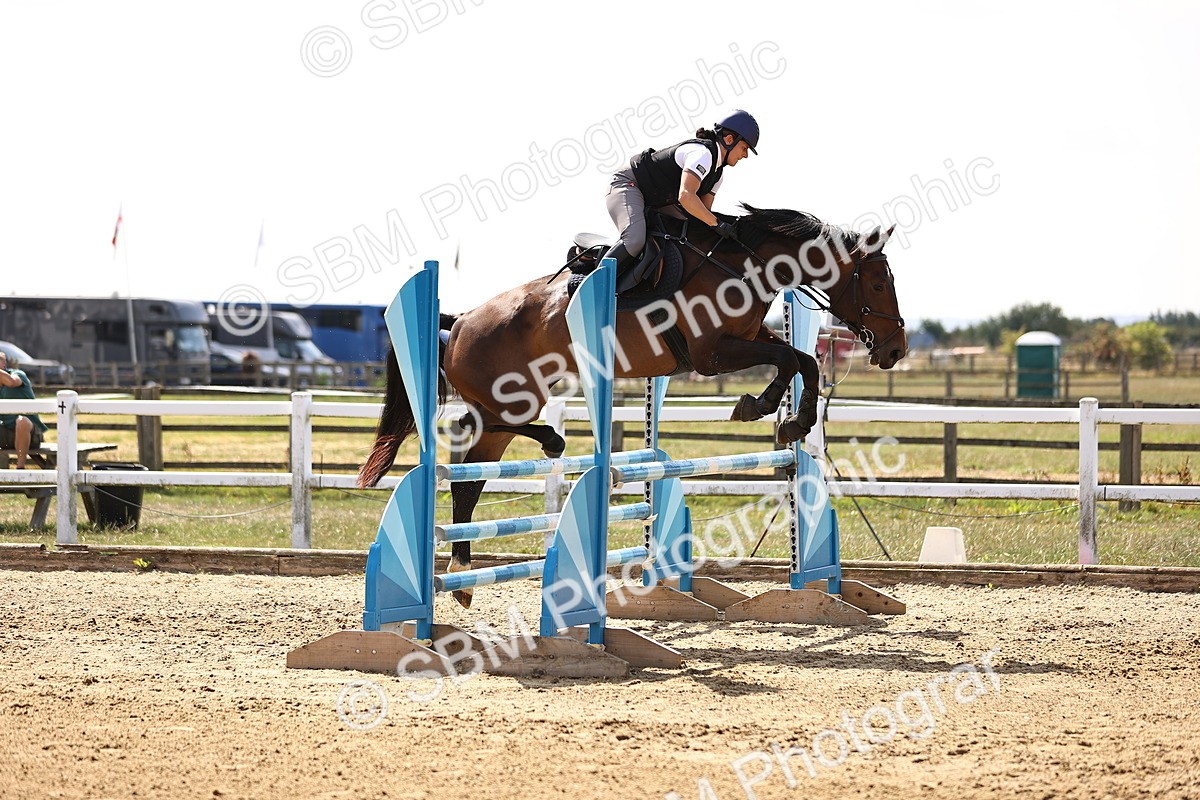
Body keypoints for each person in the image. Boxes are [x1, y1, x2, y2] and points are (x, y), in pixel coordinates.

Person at [602, 109, 760, 292]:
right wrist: (717, 223)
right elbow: (686, 196)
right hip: (629, 184)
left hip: (656, 199)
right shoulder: (703, 154)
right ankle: (595, 289)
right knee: (635, 240)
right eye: (745, 148)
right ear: (730, 139)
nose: (745, 155)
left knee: (686, 234)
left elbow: (700, 215)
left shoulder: (718, 175)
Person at [0, 350, 49, 469]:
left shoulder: (17, 374)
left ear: (4, 364)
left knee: (22, 421)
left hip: (31, 434)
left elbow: (12, 382)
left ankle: (20, 468)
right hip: (6, 434)